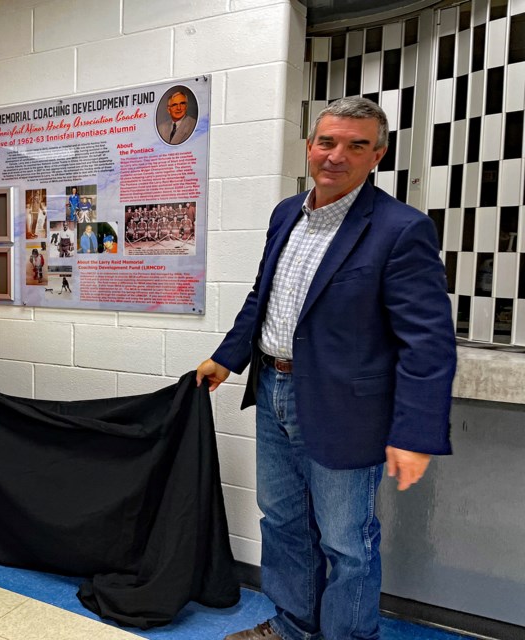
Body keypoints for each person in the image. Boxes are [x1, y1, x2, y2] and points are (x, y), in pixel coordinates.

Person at [196, 97, 456, 640]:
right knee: (284, 524)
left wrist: (415, 432)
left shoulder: (400, 229)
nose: (337, 156)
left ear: (377, 155)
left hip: (346, 409)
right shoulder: (286, 213)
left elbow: (427, 344)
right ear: (310, 147)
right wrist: (228, 356)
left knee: (345, 542)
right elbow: (264, 296)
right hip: (272, 390)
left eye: (356, 145)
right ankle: (293, 627)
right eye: (327, 142)